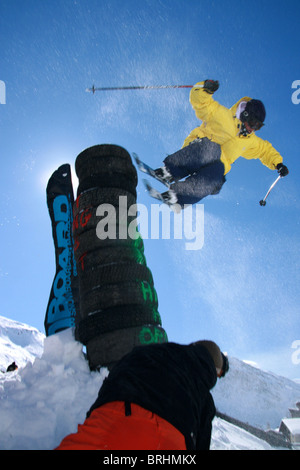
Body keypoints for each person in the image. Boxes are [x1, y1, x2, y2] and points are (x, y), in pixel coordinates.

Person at [56, 340, 229, 450]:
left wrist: (94, 419)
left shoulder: (151, 351)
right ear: (214, 370)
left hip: (110, 418)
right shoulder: (202, 395)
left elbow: (113, 380)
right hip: (166, 437)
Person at [154, 79, 289, 208]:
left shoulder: (250, 140)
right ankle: (169, 170)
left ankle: (178, 197)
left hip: (210, 169)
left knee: (218, 172)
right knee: (213, 150)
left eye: (258, 127)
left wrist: (278, 164)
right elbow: (201, 103)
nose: (252, 129)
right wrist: (205, 89)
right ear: (245, 114)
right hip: (197, 152)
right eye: (253, 123)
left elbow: (265, 150)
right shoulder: (222, 115)